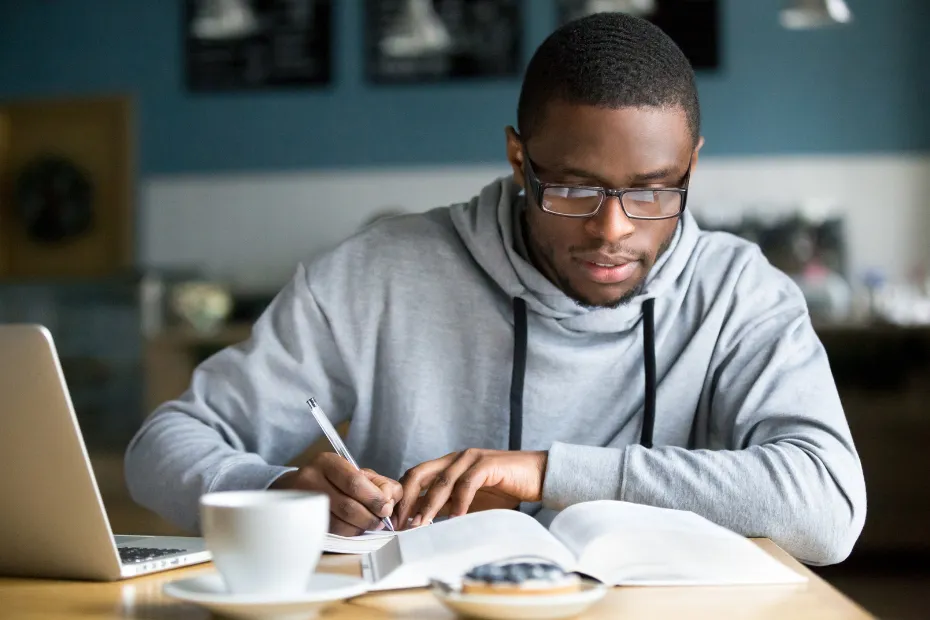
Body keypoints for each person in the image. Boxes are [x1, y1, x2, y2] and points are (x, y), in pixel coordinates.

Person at [125, 12, 866, 566]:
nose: (612, 230)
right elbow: (162, 446)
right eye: (574, 189)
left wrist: (545, 472)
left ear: (691, 166)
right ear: (520, 158)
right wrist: (279, 488)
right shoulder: (377, 274)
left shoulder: (739, 294)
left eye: (652, 191)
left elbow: (828, 509)